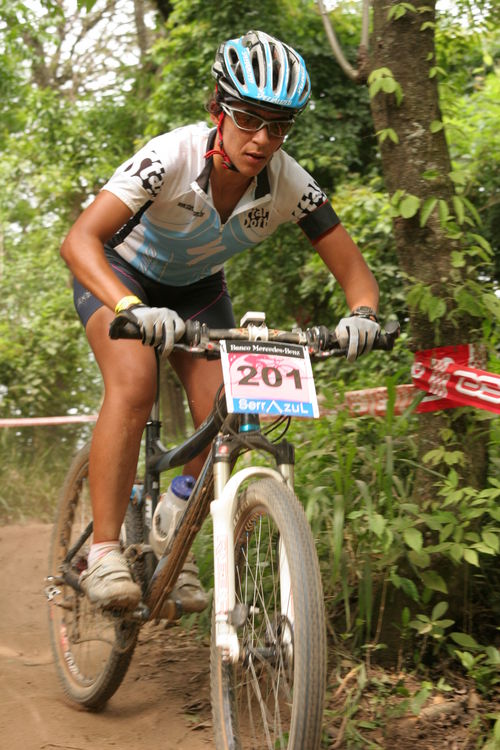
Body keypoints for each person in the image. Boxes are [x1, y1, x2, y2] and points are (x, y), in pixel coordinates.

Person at [60, 30, 380, 611]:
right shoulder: (169, 157)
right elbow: (80, 239)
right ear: (217, 107)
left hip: (198, 291)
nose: (262, 139)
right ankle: (105, 549)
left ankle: (172, 518)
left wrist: (362, 316)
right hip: (119, 277)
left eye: (278, 126)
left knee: (233, 409)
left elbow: (358, 277)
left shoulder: (290, 184)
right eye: (248, 119)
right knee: (134, 384)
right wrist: (129, 307)